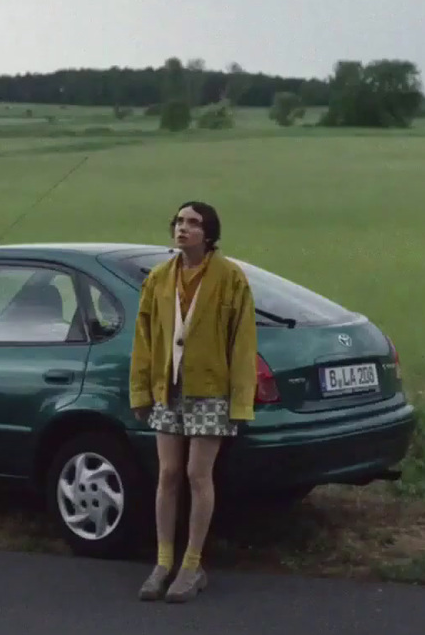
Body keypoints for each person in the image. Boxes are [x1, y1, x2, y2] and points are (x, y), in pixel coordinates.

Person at [128, 200, 258, 603]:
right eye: (180, 222)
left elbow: (243, 344)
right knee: (167, 474)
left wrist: (240, 403)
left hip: (210, 390)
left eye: (193, 223)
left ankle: (192, 563)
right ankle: (163, 560)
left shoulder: (230, 278)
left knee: (197, 475)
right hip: (168, 388)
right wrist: (141, 391)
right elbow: (144, 338)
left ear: (209, 233)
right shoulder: (159, 278)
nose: (183, 228)